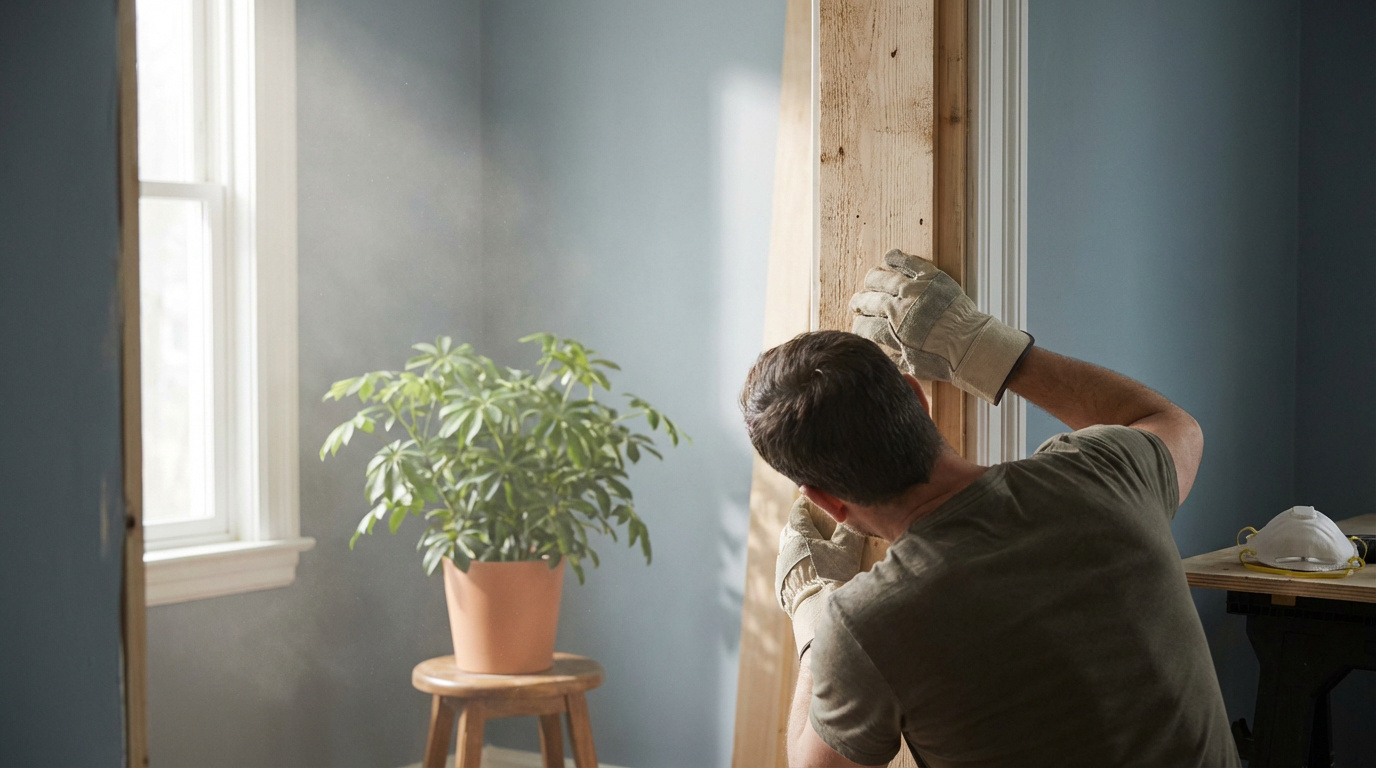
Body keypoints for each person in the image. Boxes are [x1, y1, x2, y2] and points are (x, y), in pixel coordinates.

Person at [739, 250, 1239, 767]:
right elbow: (1176, 427)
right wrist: (981, 345)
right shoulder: (1104, 474)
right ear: (916, 396)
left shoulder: (869, 625)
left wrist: (813, 610)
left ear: (824, 501)